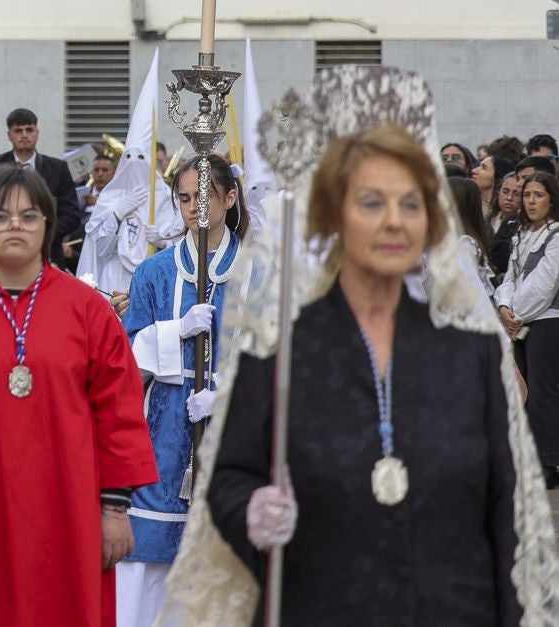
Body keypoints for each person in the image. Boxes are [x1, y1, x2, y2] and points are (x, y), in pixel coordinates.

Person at [178, 115, 554, 625]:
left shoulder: (470, 353)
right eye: (372, 202)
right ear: (335, 217)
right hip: (322, 601)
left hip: (451, 606)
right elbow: (231, 476)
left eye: (410, 204)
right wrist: (252, 509)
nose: (394, 221)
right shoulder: (280, 347)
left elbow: (507, 513)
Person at [0, 164, 156, 627]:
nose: (15, 227)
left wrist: (115, 509)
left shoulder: (88, 311)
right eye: (0, 216)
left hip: (68, 508)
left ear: (47, 223)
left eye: (29, 216)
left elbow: (118, 413)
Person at [115, 156, 248, 626]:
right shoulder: (154, 272)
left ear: (229, 198)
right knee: (148, 567)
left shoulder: (259, 274)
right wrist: (172, 333)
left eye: (204, 197)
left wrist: (228, 395)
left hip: (235, 438)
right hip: (161, 440)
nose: (195, 208)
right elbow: (125, 363)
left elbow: (280, 361)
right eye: (186, 198)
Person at [497, 169, 559, 483]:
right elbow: (510, 278)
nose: (531, 201)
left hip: (547, 321)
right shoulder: (521, 234)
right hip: (521, 322)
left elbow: (545, 284)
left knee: (543, 391)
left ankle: (547, 460)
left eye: (538, 195)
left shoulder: (556, 235)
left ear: (551, 200)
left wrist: (515, 313)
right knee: (522, 391)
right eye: (527, 195)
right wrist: (504, 306)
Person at [0, 108, 86, 270]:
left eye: (29, 130)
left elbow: (72, 215)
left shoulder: (58, 169)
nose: (24, 135)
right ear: (9, 135)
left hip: (49, 253)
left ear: (37, 133)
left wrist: (41, 231)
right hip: (3, 253)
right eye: (18, 131)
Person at [84, 148, 117, 214]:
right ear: (91, 173)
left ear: (113, 174)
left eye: (105, 170)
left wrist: (99, 203)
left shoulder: (120, 196)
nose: (100, 174)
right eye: (96, 170)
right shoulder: (80, 195)